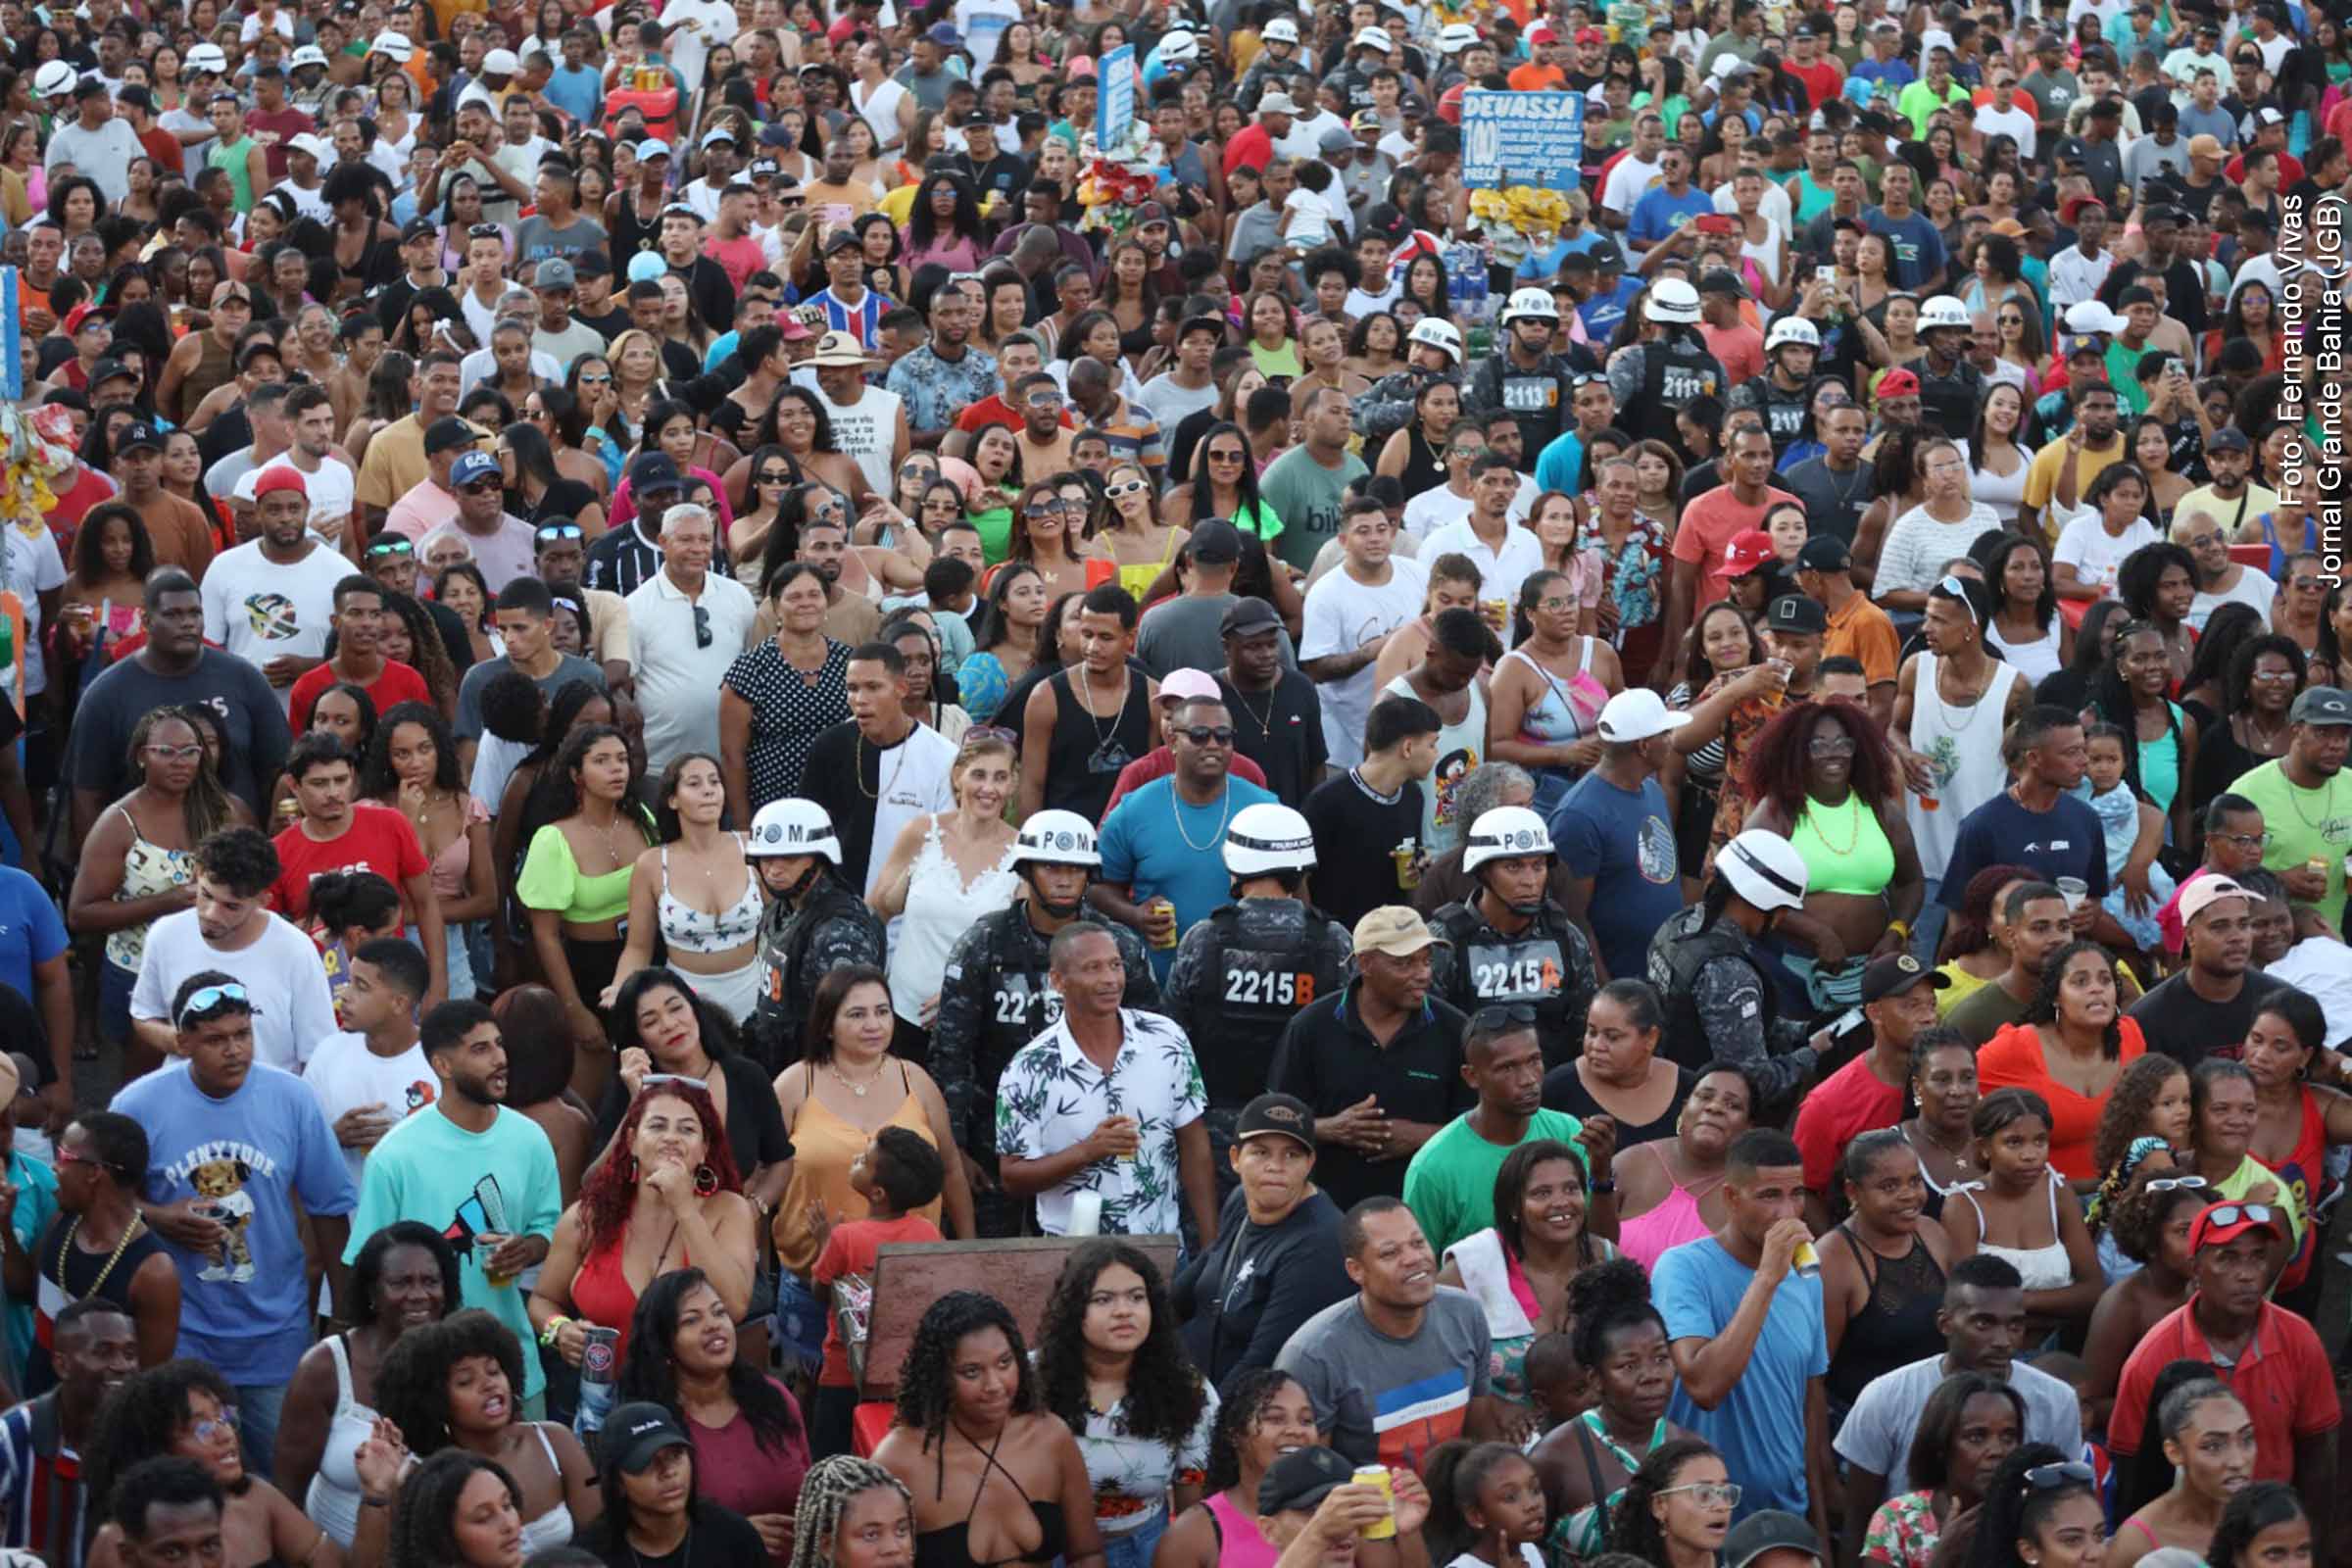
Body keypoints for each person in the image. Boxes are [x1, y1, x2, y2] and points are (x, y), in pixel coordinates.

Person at [108, 973, 356, 1478]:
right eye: (216, 1040)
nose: (235, 1051)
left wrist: (345, 1318)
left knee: (287, 1480)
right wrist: (160, 1217)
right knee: (189, 1482)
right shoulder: (137, 1106)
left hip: (277, 1337)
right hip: (180, 1338)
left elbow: (329, 1210)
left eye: (243, 1035)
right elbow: (103, 1203)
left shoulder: (292, 1099)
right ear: (182, 1043)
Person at [930, 809, 1161, 1238]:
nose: (1064, 878)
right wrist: (955, 1149)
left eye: (1075, 869)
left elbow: (1150, 1046)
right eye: (1051, 866)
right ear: (1026, 870)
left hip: (1094, 1137)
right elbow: (951, 1052)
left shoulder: (1119, 947)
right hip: (993, 1141)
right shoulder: (984, 942)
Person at [343, 1000, 562, 1418]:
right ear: (443, 1066)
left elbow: (548, 1227)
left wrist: (528, 1248)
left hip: (513, 1368)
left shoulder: (530, 1140)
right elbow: (364, 1270)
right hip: (425, 1379)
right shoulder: (395, 1156)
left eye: (499, 1045)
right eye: (480, 1050)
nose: (499, 1059)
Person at [1834, 1253, 2085, 1555]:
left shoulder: (2057, 1401)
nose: (2003, 1340)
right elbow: (1858, 1521)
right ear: (1945, 1323)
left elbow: (2066, 1507)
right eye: (1984, 1323)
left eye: (2015, 1325)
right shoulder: (1885, 1397)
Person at [1652, 1127, 1829, 1535]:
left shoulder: (1807, 1277)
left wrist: (1818, 1529)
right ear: (1731, 1199)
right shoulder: (1683, 1269)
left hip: (1786, 1513)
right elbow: (1704, 1385)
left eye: (1797, 1194)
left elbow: (1810, 1402)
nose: (1787, 1212)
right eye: (1770, 1196)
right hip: (1703, 1519)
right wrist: (1767, 1277)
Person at [996, 922, 1216, 1241]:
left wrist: (1211, 1244)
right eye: (1092, 968)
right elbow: (1012, 1177)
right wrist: (1088, 1151)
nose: (1110, 979)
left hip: (1162, 1248)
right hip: (1074, 1258)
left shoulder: (1166, 1039)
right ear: (1058, 981)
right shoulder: (1027, 1069)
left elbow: (1194, 1142)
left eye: (1115, 965)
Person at [2107, 1200, 2339, 1494]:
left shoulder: (2299, 1339)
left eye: (2257, 1257)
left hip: (2273, 1526)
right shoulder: (2152, 1359)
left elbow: (2318, 1456)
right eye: (2227, 1258)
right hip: (2186, 1532)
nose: (2247, 1274)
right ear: (2195, 1270)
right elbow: (2130, 1475)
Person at [529, 1077, 758, 1370]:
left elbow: (735, 1306)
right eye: (657, 1126)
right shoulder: (588, 1217)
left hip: (694, 1401)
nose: (672, 1137)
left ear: (703, 1149)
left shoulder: (729, 1209)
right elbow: (542, 1299)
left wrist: (684, 1208)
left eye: (687, 1129)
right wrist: (559, 1329)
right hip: (605, 1400)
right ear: (631, 1142)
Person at [870, 1291, 1107, 1568]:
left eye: (1005, 1362)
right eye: (971, 1372)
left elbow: (1087, 1554)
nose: (994, 1385)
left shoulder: (1050, 1437)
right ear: (939, 1376)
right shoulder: (899, 1461)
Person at [1276, 1196, 1524, 1460]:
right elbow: (1309, 1472)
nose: (1413, 1258)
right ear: (1356, 1270)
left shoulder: (1466, 1314)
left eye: (1418, 1243)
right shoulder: (1313, 1355)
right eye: (1390, 1253)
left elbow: (1478, 1434)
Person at [272, 1222, 459, 1546]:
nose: (418, 1295)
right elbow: (287, 1491)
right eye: (400, 1283)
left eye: (430, 1281)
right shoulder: (325, 1367)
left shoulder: (465, 1359)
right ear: (372, 1292)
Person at [1034, 1241, 1217, 1568]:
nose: (1124, 1311)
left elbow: (1192, 1498)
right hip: (1050, 1550)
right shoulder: (1031, 1380)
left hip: (1149, 1549)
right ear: (1075, 1309)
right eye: (1103, 1299)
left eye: (1136, 1297)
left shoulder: (1187, 1388)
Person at [63, 571, 290, 834]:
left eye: (195, 613)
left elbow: (277, 770)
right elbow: (86, 794)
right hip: (146, 858)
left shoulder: (243, 678)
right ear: (146, 621)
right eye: (173, 615)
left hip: (235, 849)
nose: (187, 623)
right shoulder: (107, 693)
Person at [613, 1268, 809, 1564]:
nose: (714, 1325)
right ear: (665, 1345)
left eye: (719, 1313)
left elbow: (811, 1490)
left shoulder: (774, 1398)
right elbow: (644, 1534)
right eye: (692, 1320)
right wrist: (735, 1535)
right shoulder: (653, 1430)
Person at [1170, 1093, 1351, 1395]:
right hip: (1192, 1385)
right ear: (1235, 1159)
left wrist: (1197, 1426)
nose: (1275, 1167)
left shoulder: (1320, 1243)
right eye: (1261, 1152)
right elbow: (1183, 1294)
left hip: (1250, 1410)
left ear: (1310, 1163)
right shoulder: (1243, 1201)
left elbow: (1262, 1365)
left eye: (1291, 1155)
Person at [1402, 1005, 1606, 1260]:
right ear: (1472, 1076)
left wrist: (1602, 1175)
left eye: (1534, 1061)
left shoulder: (1569, 1133)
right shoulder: (1432, 1168)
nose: (1528, 1079)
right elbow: (1419, 1266)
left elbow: (1602, 1249)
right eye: (1508, 1068)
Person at [1647, 828, 1826, 1107]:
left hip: (1664, 1089)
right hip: (1698, 1111)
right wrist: (1812, 1054)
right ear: (1764, 903)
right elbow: (1751, 1081)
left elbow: (1720, 1019)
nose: (1781, 920)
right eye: (1782, 910)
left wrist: (1802, 1032)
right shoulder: (1728, 970)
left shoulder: (1678, 925)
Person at [806, 1128, 946, 1458]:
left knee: (834, 1456)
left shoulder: (846, 1238)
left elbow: (821, 1292)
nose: (856, 1160)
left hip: (844, 1373)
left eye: (864, 1161)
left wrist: (824, 1242)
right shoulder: (927, 1232)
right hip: (903, 1373)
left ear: (878, 1193)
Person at [15, 1110, 177, 1395]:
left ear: (94, 1172)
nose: (54, 1167)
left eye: (64, 1157)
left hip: (101, 1432)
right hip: (41, 1415)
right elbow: (25, 1291)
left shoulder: (154, 1273)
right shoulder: (61, 1222)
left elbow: (148, 1386)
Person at [1428, 808, 1600, 1071]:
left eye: (1538, 866)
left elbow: (1586, 1024)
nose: (1529, 881)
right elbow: (1428, 1034)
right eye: (1513, 867)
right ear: (1483, 872)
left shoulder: (1564, 936)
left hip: (1551, 1089)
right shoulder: (1446, 940)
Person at [800, 642, 959, 897]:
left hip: (910, 909)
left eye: (873, 687)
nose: (860, 700)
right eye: (852, 689)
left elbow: (947, 845)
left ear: (901, 689)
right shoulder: (830, 745)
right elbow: (808, 830)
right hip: (838, 908)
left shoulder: (943, 756)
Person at [1552, 690, 1687, 984]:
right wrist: (1608, 991)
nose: (1672, 739)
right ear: (1644, 745)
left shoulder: (1650, 789)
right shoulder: (1579, 816)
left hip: (1661, 972)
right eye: (1665, 733)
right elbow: (1573, 918)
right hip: (1621, 984)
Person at [743, 799, 886, 1072]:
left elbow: (853, 1028)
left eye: (790, 857)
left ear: (819, 858)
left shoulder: (839, 930)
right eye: (767, 858)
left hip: (817, 1071)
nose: (775, 869)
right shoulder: (782, 908)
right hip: (775, 1059)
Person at [1794, 956, 1947, 1210]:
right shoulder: (1827, 1104)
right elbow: (1805, 1193)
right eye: (1912, 1006)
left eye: (1931, 1004)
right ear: (1875, 1013)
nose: (1928, 1017)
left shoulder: (1953, 1081)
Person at [624, 504, 758, 775]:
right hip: (661, 767)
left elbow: (754, 667)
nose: (698, 548)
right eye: (686, 539)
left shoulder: (738, 597)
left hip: (731, 763)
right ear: (663, 542)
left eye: (705, 539)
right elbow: (625, 685)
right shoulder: (634, 607)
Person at [1301, 695, 1443, 930]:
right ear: (1408, 748)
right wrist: (1315, 935)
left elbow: (1409, 876)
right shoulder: (1327, 801)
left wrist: (1419, 867)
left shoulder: (1412, 795)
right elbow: (1300, 878)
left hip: (1392, 938)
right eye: (1432, 744)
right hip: (1339, 942)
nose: (1436, 753)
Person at [579, 1400, 768, 1568]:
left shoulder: (734, 1536)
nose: (669, 1472)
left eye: (676, 1455)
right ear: (617, 1482)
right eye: (647, 1462)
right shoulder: (589, 1558)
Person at [2230, 685, 2352, 916]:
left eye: (2343, 735)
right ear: (2296, 730)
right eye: (2322, 733)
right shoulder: (2249, 791)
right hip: (2264, 941)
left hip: (2330, 940)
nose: (2336, 744)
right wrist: (2278, 881)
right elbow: (2213, 873)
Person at [2107, 1379, 2255, 1568]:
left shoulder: (2268, 1519)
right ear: (2174, 1452)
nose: (2238, 1461)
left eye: (2247, 1438)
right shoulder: (2137, 1542)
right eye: (2212, 1446)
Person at [1945, 881, 2074, 1047]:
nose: (2057, 938)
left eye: (2064, 927)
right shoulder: (1971, 1019)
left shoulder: (2089, 1004)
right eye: (2040, 928)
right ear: (2012, 937)